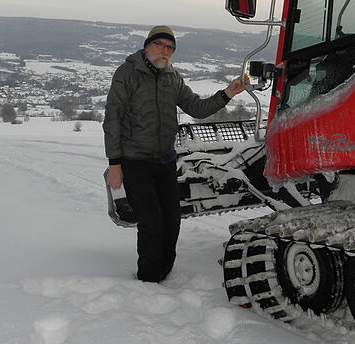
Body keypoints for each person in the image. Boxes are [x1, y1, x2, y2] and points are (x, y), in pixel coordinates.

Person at [103, 25, 247, 282]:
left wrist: (228, 93)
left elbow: (197, 108)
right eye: (160, 45)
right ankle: (148, 278)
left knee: (172, 220)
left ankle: (164, 272)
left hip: (165, 160)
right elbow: (112, 118)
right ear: (147, 46)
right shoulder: (127, 73)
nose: (165, 51)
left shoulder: (172, 77)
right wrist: (115, 163)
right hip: (135, 161)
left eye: (170, 48)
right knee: (151, 221)